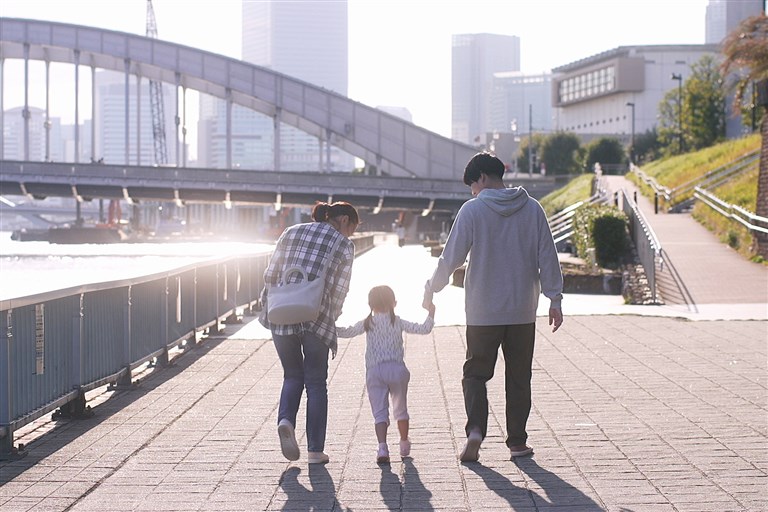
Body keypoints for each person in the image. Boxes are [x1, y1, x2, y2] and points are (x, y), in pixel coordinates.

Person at [422, 151, 563, 463]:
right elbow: (548, 255)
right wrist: (555, 298)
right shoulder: (533, 208)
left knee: (475, 374)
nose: (473, 192)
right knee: (519, 377)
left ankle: (475, 430)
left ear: (482, 178)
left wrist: (431, 288)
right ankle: (518, 443)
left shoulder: (473, 210)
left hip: (483, 310)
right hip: (522, 310)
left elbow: (451, 257)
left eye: (473, 185)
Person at [260, 201, 360, 465]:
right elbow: (340, 289)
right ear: (344, 220)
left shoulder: (290, 232)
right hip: (317, 316)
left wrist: (266, 308)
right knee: (316, 383)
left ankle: (285, 420)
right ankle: (315, 451)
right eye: (352, 228)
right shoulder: (343, 244)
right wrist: (331, 316)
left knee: (292, 375)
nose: (350, 234)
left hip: (282, 313)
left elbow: (270, 274)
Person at [337, 285, 435, 463]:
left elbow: (347, 332)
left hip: (375, 372)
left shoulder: (367, 323)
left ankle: (382, 447)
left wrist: (328, 325)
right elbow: (424, 329)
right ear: (394, 303)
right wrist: (431, 313)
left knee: (380, 413)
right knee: (401, 409)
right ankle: (403, 443)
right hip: (397, 370)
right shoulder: (398, 322)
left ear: (370, 305)